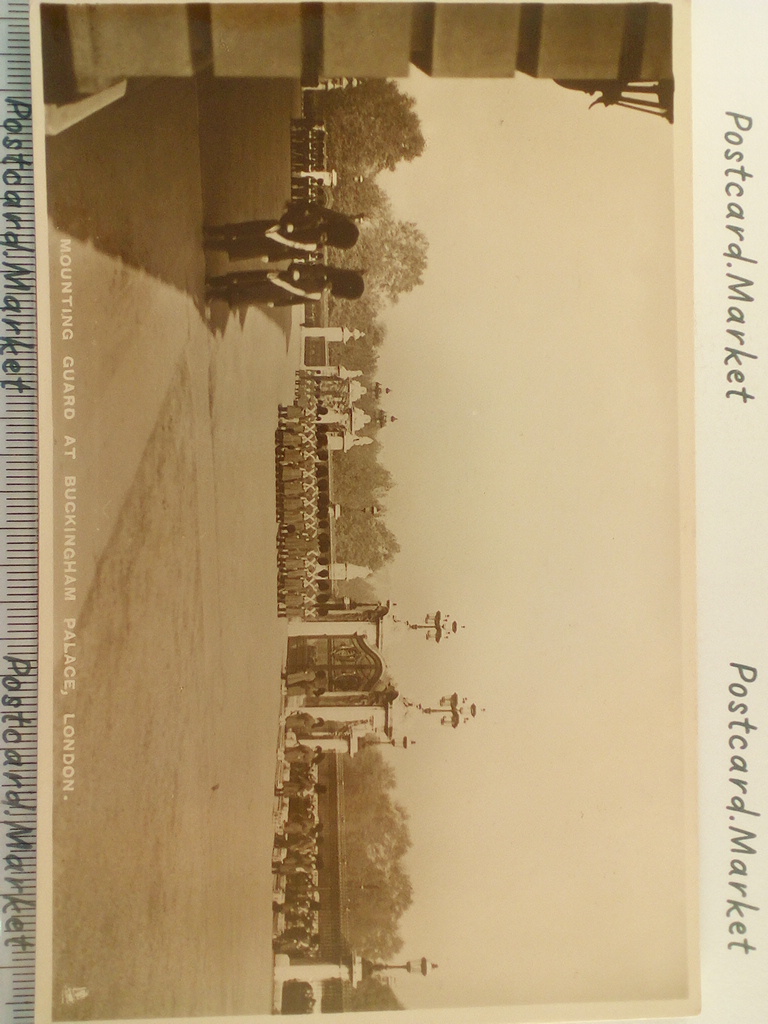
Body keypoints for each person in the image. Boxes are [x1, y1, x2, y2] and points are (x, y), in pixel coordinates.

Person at [204, 202, 363, 261]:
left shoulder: (320, 225)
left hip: (283, 233)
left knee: (247, 232)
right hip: (282, 241)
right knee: (247, 243)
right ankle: (213, 242)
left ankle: (214, 235)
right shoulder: (319, 243)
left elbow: (314, 210)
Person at [206, 263, 364, 308]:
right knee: (247, 279)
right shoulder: (322, 273)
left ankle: (216, 295)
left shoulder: (318, 296)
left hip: (279, 294)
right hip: (283, 278)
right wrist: (296, 272)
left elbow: (296, 301)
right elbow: (306, 268)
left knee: (247, 295)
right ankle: (215, 281)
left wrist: (277, 304)